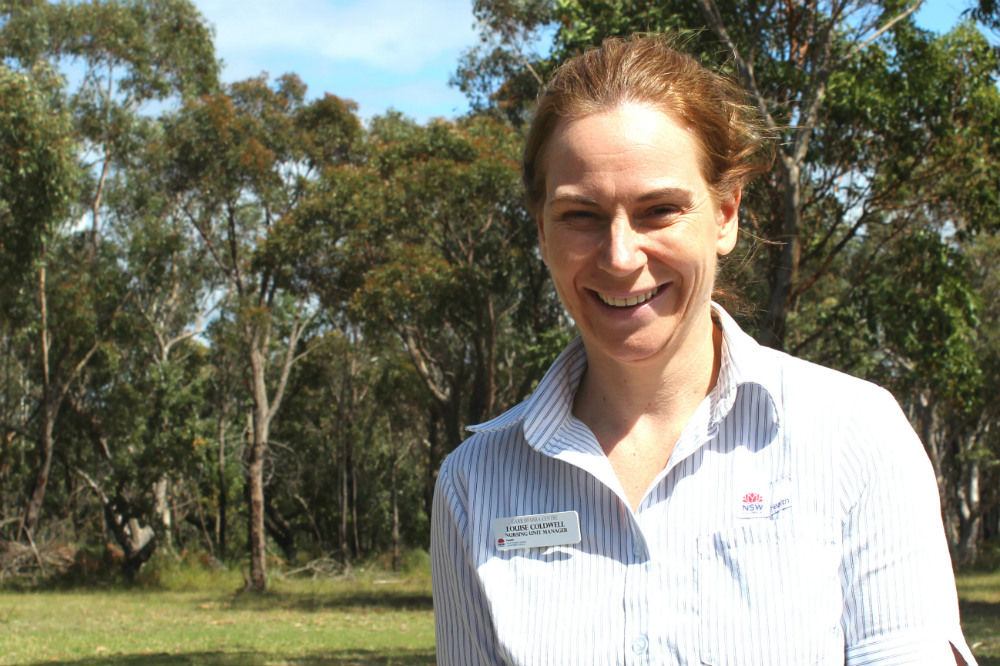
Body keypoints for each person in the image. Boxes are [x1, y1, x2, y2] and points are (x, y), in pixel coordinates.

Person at [430, 34, 977, 666]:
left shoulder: (854, 438)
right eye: (580, 215)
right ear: (542, 230)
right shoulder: (474, 485)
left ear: (725, 214)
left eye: (659, 210)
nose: (619, 256)